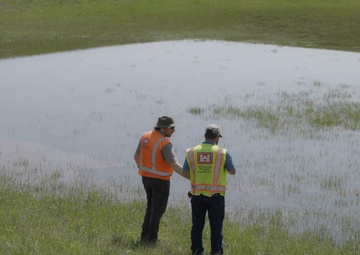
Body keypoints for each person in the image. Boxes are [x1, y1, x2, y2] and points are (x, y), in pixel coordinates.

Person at [134, 116, 189, 244]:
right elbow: (174, 165)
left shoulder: (145, 136)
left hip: (146, 178)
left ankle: (144, 235)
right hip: (160, 181)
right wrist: (190, 177)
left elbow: (136, 156)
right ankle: (151, 239)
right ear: (164, 128)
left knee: (151, 207)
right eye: (172, 128)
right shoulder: (165, 144)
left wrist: (143, 169)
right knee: (158, 210)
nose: (173, 131)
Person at [183, 124, 236, 255]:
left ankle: (197, 251)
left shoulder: (191, 151)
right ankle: (216, 252)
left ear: (205, 136)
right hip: (216, 197)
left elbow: (185, 172)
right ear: (217, 137)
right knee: (216, 228)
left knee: (197, 226)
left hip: (197, 195)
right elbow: (232, 171)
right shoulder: (223, 152)